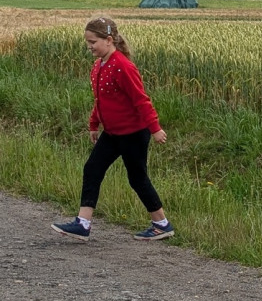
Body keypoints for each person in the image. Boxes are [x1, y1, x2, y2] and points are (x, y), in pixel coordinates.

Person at [51, 17, 175, 241]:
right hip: (112, 132)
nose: (89, 46)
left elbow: (141, 100)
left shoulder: (123, 66)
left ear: (109, 40)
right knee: (92, 169)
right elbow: (101, 99)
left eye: (93, 41)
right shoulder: (99, 65)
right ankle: (83, 223)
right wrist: (93, 124)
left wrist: (155, 128)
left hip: (133, 133)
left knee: (137, 178)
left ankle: (162, 224)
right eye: (87, 42)